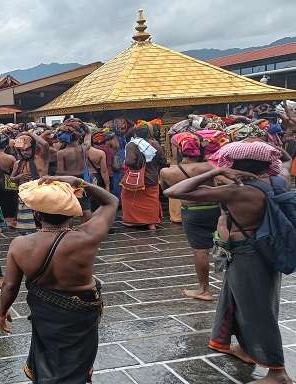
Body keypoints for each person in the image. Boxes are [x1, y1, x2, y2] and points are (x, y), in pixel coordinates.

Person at [164, 141, 290, 384]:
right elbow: (284, 160)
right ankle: (237, 346)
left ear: (235, 166)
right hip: (263, 249)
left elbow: (173, 191)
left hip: (248, 254)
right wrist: (266, 144)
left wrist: (215, 172)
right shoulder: (278, 180)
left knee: (258, 310)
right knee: (234, 299)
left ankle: (278, 373)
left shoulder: (237, 191)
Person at [0, 176, 118, 383]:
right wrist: (79, 182)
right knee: (77, 360)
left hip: (45, 314)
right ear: (71, 211)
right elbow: (112, 201)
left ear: (36, 214)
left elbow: (10, 286)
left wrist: (2, 311)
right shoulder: (87, 236)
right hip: (80, 314)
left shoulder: (19, 245)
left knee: (47, 356)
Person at [159, 133, 218, 301]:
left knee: (200, 251)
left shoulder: (167, 172)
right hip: (215, 209)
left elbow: (165, 189)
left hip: (192, 212)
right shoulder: (210, 166)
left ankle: (204, 289)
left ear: (179, 151)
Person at [121, 121, 167, 230]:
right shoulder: (155, 144)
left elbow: (129, 161)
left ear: (135, 135)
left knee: (127, 197)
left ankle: (132, 221)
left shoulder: (132, 144)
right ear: (149, 134)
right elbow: (163, 160)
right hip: (152, 177)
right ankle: (151, 223)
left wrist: (139, 162)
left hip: (135, 178)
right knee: (152, 199)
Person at [55, 125, 94, 221]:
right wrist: (84, 127)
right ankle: (87, 228)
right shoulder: (83, 148)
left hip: (69, 181)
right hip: (82, 180)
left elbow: (60, 172)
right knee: (86, 208)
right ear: (78, 137)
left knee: (69, 209)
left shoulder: (62, 153)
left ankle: (69, 230)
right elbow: (88, 136)